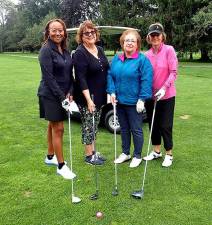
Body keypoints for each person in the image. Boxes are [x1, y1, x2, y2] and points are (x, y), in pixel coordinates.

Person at [107, 29, 153, 168]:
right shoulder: (117, 58)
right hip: (119, 101)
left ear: (137, 43)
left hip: (135, 103)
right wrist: (112, 92)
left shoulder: (142, 60)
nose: (130, 43)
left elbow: (147, 80)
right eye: (127, 40)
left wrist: (142, 99)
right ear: (122, 42)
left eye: (133, 41)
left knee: (136, 129)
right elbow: (110, 75)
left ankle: (137, 155)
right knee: (124, 129)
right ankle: (125, 153)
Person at [37, 19, 76, 179]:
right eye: (54, 30)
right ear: (48, 32)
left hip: (63, 94)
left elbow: (69, 75)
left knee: (52, 125)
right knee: (58, 128)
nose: (58, 33)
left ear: (64, 32)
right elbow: (49, 78)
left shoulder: (65, 50)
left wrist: (71, 92)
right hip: (50, 94)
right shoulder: (46, 50)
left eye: (60, 30)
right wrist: (63, 98)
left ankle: (50, 156)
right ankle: (61, 165)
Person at [73, 20, 109, 165]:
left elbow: (106, 69)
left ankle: (94, 151)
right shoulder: (80, 52)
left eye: (92, 31)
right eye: (86, 33)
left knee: (95, 124)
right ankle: (89, 155)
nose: (90, 34)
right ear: (81, 36)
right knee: (89, 125)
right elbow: (80, 78)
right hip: (87, 97)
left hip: (99, 95)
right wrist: (88, 100)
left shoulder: (99, 49)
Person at [143, 23, 178, 167]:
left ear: (162, 36)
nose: (155, 37)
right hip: (151, 96)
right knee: (153, 124)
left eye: (158, 34)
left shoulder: (169, 50)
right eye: (153, 35)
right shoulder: (146, 55)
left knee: (165, 125)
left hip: (167, 95)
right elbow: (145, 75)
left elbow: (173, 72)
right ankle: (156, 151)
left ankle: (169, 153)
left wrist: (164, 87)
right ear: (149, 38)